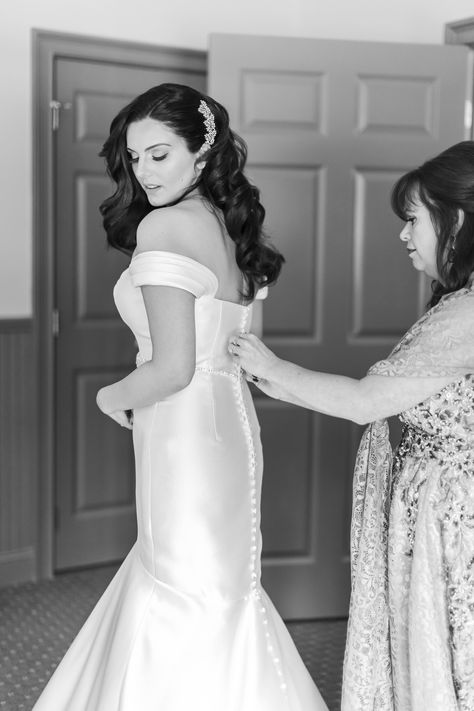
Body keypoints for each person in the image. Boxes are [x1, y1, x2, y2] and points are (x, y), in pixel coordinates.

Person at [32, 83, 328, 711]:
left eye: (159, 154)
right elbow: (235, 355)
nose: (143, 173)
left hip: (184, 434)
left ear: (202, 154)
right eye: (134, 158)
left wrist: (110, 398)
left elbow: (170, 370)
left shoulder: (165, 226)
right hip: (232, 430)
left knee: (181, 584)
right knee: (218, 584)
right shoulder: (232, 227)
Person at [230, 141, 474, 711]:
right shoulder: (459, 301)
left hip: (454, 515)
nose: (403, 235)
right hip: (438, 506)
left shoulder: (467, 314)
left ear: (457, 218)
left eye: (413, 218)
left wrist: (271, 367)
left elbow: (368, 402)